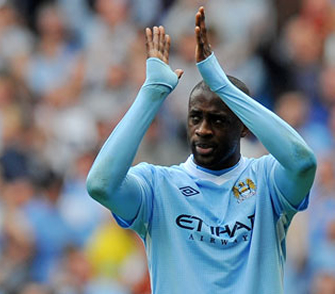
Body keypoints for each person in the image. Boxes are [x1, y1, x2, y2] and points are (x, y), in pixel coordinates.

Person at [86, 6, 317, 293]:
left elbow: (303, 163)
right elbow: (100, 186)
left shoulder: (267, 180)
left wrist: (220, 83)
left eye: (218, 120)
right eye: (196, 117)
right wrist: (151, 92)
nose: (203, 129)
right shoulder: (159, 186)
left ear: (243, 128)